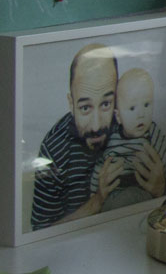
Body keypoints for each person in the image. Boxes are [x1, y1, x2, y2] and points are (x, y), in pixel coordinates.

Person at [31, 44, 123, 229]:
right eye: (85, 107)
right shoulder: (54, 149)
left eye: (106, 104)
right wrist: (98, 200)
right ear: (71, 103)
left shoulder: (128, 125)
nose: (96, 126)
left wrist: (160, 188)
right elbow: (39, 233)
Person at [88, 67, 166, 211]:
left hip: (144, 191)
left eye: (146, 105)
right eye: (132, 108)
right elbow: (100, 168)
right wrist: (94, 195)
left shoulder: (153, 133)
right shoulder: (112, 138)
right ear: (118, 116)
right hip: (114, 194)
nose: (141, 114)